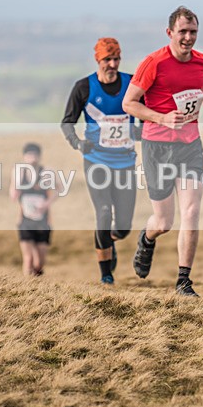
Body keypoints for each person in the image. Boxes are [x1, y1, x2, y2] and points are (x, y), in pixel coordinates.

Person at [122, 6, 203, 297]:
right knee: (165, 222)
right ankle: (147, 237)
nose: (188, 37)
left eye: (193, 32)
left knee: (191, 212)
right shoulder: (153, 63)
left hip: (190, 146)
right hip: (157, 147)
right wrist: (161, 117)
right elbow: (129, 103)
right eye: (183, 31)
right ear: (170, 32)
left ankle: (183, 281)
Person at [61, 37, 140, 285]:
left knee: (124, 226)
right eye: (107, 59)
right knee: (104, 213)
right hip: (96, 161)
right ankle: (106, 274)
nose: (113, 64)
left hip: (125, 162)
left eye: (116, 58)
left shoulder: (132, 83)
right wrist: (77, 142)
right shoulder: (84, 87)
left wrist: (141, 132)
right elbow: (67, 122)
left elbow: (145, 116)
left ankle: (110, 241)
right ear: (98, 60)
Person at [9, 143, 57, 276]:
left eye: (34, 155)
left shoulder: (47, 172)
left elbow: (58, 189)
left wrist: (47, 203)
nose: (32, 158)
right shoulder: (19, 172)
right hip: (25, 220)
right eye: (29, 155)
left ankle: (37, 279)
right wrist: (14, 192)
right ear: (24, 157)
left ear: (39, 156)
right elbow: (13, 190)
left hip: (42, 221)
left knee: (40, 262)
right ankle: (28, 289)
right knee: (28, 258)